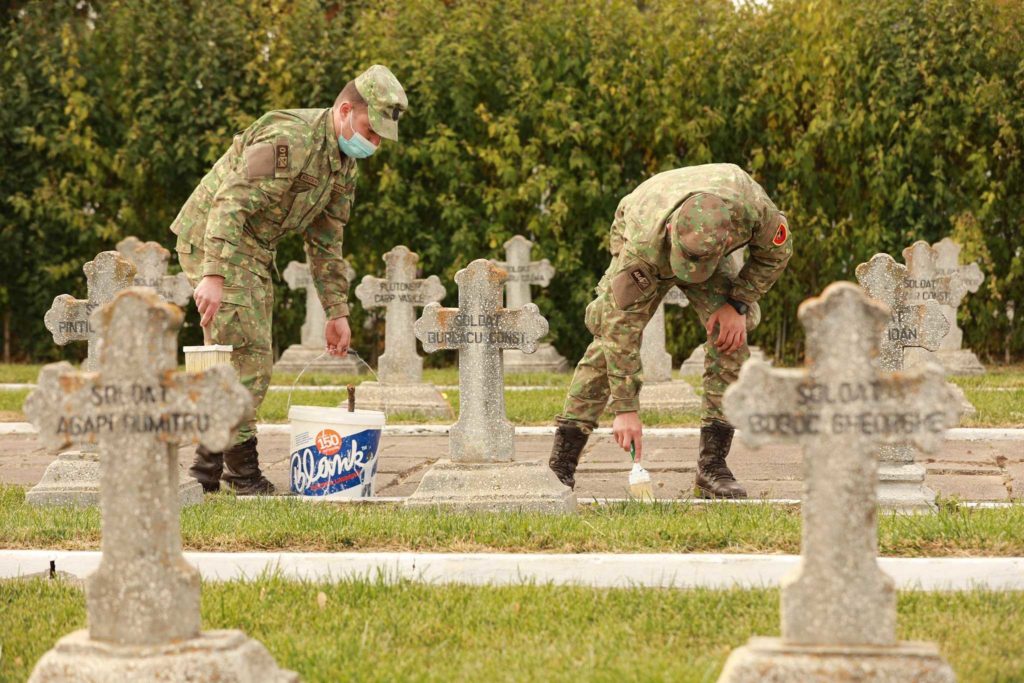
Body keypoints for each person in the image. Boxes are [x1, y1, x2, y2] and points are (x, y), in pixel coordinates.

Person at [170, 65, 407, 494]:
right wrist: (213, 273)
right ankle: (241, 474)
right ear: (346, 110)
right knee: (251, 355)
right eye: (370, 132)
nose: (373, 144)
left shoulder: (343, 166)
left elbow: (326, 243)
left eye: (378, 140)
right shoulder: (291, 139)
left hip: (254, 250)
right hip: (216, 239)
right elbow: (230, 203)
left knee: (243, 354)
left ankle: (205, 470)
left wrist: (337, 311)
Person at [549, 163, 793, 498]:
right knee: (605, 340)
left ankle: (712, 467)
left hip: (708, 240)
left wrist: (738, 304)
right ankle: (562, 464)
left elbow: (777, 253)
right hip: (641, 228)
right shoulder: (642, 246)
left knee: (731, 339)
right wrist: (626, 410)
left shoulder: (753, 211)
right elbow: (621, 330)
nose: (689, 274)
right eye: (687, 263)